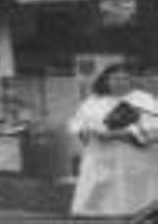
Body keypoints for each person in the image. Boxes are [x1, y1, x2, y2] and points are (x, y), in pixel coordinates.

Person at [68, 61, 158, 215]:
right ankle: (94, 218)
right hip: (100, 156)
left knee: (135, 192)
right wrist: (88, 132)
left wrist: (120, 134)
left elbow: (153, 127)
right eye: (115, 78)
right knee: (97, 190)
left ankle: (140, 218)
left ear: (131, 81)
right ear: (106, 79)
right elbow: (77, 123)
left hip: (134, 156)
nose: (120, 82)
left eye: (124, 78)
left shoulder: (144, 100)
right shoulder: (93, 101)